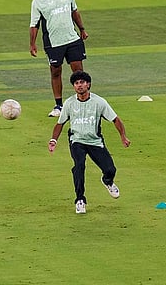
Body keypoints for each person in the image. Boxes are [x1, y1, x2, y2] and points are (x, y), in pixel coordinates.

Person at [48, 71, 130, 214]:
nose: (79, 85)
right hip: (77, 140)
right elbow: (60, 123)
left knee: (110, 170)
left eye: (82, 82)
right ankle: (80, 200)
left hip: (95, 141)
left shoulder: (99, 102)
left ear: (88, 84)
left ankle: (107, 181)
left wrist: (123, 136)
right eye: (76, 83)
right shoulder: (69, 103)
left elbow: (116, 119)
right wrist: (53, 140)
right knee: (79, 167)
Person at [30, 0, 89, 117]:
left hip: (72, 38)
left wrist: (82, 29)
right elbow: (34, 25)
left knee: (79, 72)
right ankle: (58, 106)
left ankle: (83, 101)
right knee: (55, 72)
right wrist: (32, 44)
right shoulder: (38, 1)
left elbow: (74, 11)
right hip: (53, 43)